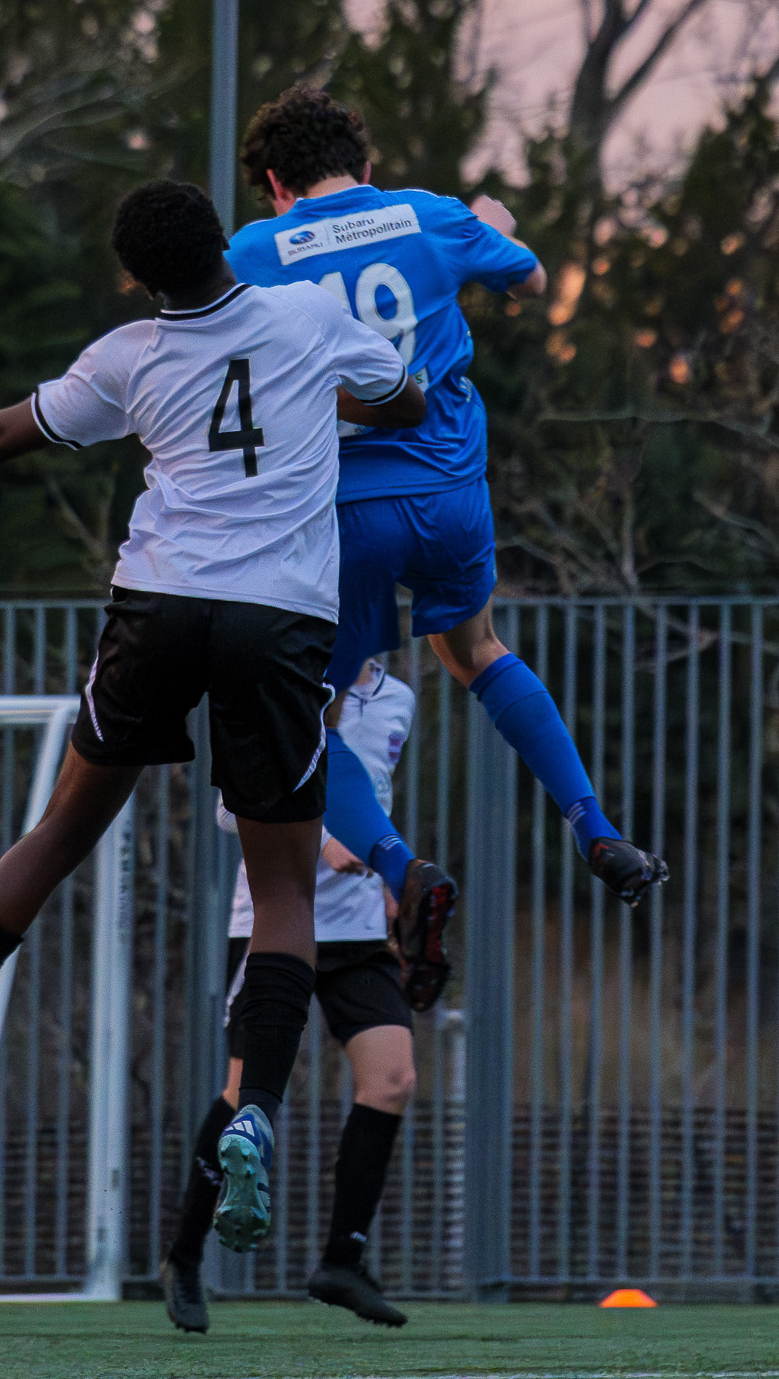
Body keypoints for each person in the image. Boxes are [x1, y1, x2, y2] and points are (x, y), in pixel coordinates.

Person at [0, 180, 426, 1255]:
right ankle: (254, 1118)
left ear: (143, 277)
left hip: (158, 605)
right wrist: (345, 403)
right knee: (282, 893)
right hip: (275, 621)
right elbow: (407, 401)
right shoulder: (307, 317)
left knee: (57, 833)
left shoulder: (128, 354)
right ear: (226, 244)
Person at [226, 85, 668, 1005]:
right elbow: (533, 278)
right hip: (451, 491)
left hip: (342, 513)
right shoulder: (428, 215)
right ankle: (592, 824)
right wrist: (486, 222)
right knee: (474, 652)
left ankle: (398, 868)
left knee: (306, 715)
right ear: (367, 165)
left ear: (274, 181)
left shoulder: (255, 250)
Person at [161, 656, 419, 1334]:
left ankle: (341, 1262)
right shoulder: (290, 678)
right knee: (243, 1094)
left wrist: (396, 884)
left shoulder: (400, 699)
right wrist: (329, 841)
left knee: (392, 1080)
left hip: (361, 932)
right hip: (276, 924)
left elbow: (379, 797)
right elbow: (228, 810)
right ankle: (184, 1258)